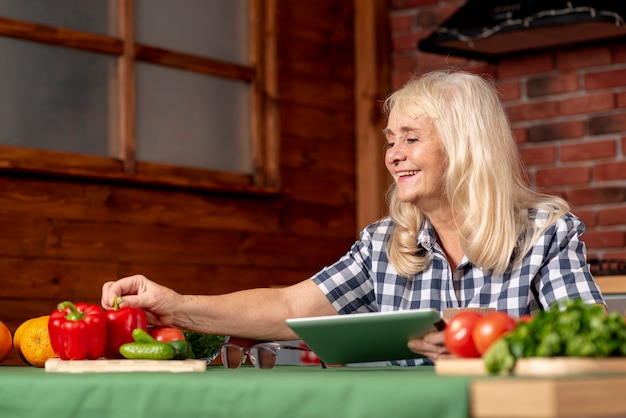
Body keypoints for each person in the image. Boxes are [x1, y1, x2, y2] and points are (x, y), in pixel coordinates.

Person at [101, 69, 605, 366]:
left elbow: (592, 348)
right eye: (391, 141)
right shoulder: (384, 243)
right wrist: (177, 306)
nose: (394, 156)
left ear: (466, 146)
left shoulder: (545, 234)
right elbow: (288, 307)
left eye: (411, 138)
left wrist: (477, 341)